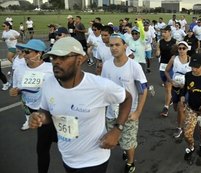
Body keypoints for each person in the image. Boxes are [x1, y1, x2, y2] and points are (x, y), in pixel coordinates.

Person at [29, 37, 132, 173]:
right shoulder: (49, 83)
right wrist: (39, 117)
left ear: (79, 60)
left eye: (63, 57)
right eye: (53, 57)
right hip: (67, 157)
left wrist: (117, 130)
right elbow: (46, 111)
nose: (56, 62)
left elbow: (127, 98)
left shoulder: (99, 86)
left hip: (94, 160)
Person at [102, 33, 148, 173]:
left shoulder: (134, 66)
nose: (114, 48)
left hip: (129, 113)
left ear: (125, 46)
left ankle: (130, 162)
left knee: (128, 143)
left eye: (117, 45)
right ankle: (125, 149)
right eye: (111, 45)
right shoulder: (107, 65)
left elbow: (143, 90)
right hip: (111, 112)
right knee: (113, 140)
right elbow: (103, 87)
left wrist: (137, 112)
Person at [9, 39, 57, 173]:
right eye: (23, 51)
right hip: (31, 110)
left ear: (39, 53)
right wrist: (15, 91)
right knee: (48, 140)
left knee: (42, 147)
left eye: (27, 52)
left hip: (48, 112)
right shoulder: (19, 68)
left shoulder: (51, 69)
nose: (24, 55)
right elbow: (16, 88)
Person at [164, 41, 191, 138]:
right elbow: (166, 71)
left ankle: (179, 128)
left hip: (185, 88)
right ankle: (185, 113)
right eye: (180, 48)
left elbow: (195, 75)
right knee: (175, 108)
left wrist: (188, 84)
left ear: (187, 49)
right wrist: (171, 81)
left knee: (180, 108)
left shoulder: (190, 60)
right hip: (175, 87)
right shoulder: (173, 59)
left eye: (184, 48)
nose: (182, 50)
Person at [156, 25, 177, 117]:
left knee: (168, 87)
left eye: (165, 32)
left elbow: (179, 54)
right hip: (162, 66)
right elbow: (157, 53)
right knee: (166, 87)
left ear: (169, 32)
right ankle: (171, 97)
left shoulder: (175, 42)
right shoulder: (159, 42)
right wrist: (157, 53)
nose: (163, 34)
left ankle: (166, 108)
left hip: (171, 67)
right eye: (162, 32)